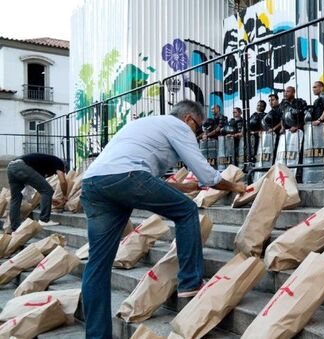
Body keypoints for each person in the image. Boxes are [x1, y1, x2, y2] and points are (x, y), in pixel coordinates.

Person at [80, 100, 245, 339]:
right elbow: (207, 175)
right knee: (187, 211)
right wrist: (235, 186)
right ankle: (190, 282)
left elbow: (146, 177)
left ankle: (96, 336)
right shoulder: (177, 125)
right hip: (126, 177)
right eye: (198, 129)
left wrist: (183, 186)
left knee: (98, 264)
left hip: (94, 183)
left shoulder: (145, 125)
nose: (197, 135)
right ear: (189, 119)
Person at [6, 153, 67, 231]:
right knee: (48, 190)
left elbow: (40, 189)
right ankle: (44, 219)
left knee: (16, 198)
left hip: (11, 167)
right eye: (64, 170)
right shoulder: (59, 162)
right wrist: (65, 195)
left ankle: (15, 227)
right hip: (20, 166)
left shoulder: (44, 167)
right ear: (64, 166)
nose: (64, 172)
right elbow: (63, 181)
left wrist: (50, 200)